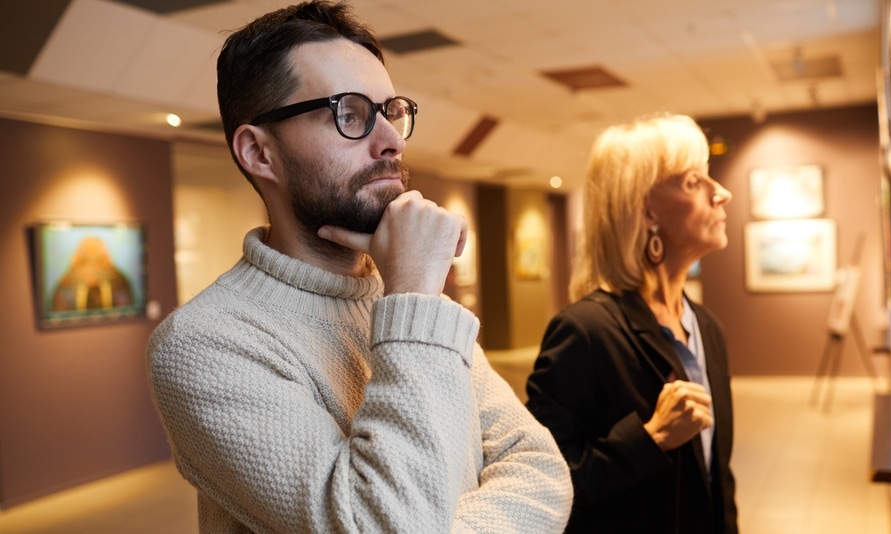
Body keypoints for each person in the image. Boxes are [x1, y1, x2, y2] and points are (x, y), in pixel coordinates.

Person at [146, 2, 572, 532]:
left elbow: (541, 468)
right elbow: (387, 524)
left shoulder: (398, 301)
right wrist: (415, 293)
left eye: (391, 110)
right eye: (349, 113)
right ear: (259, 153)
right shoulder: (204, 343)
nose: (392, 138)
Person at [525, 113, 738, 533]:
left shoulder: (707, 327)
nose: (723, 193)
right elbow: (542, 483)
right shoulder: (584, 331)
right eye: (695, 181)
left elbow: (717, 476)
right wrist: (651, 438)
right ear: (646, 210)